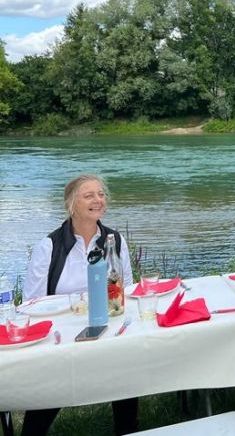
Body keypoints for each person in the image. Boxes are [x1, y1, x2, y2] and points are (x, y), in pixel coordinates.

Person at [21, 174, 137, 436]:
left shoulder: (115, 241)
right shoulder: (49, 246)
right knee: (52, 385)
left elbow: (126, 290)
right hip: (63, 333)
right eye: (89, 195)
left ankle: (128, 429)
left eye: (101, 194)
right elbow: (31, 303)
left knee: (126, 366)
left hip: (109, 325)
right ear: (71, 205)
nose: (98, 200)